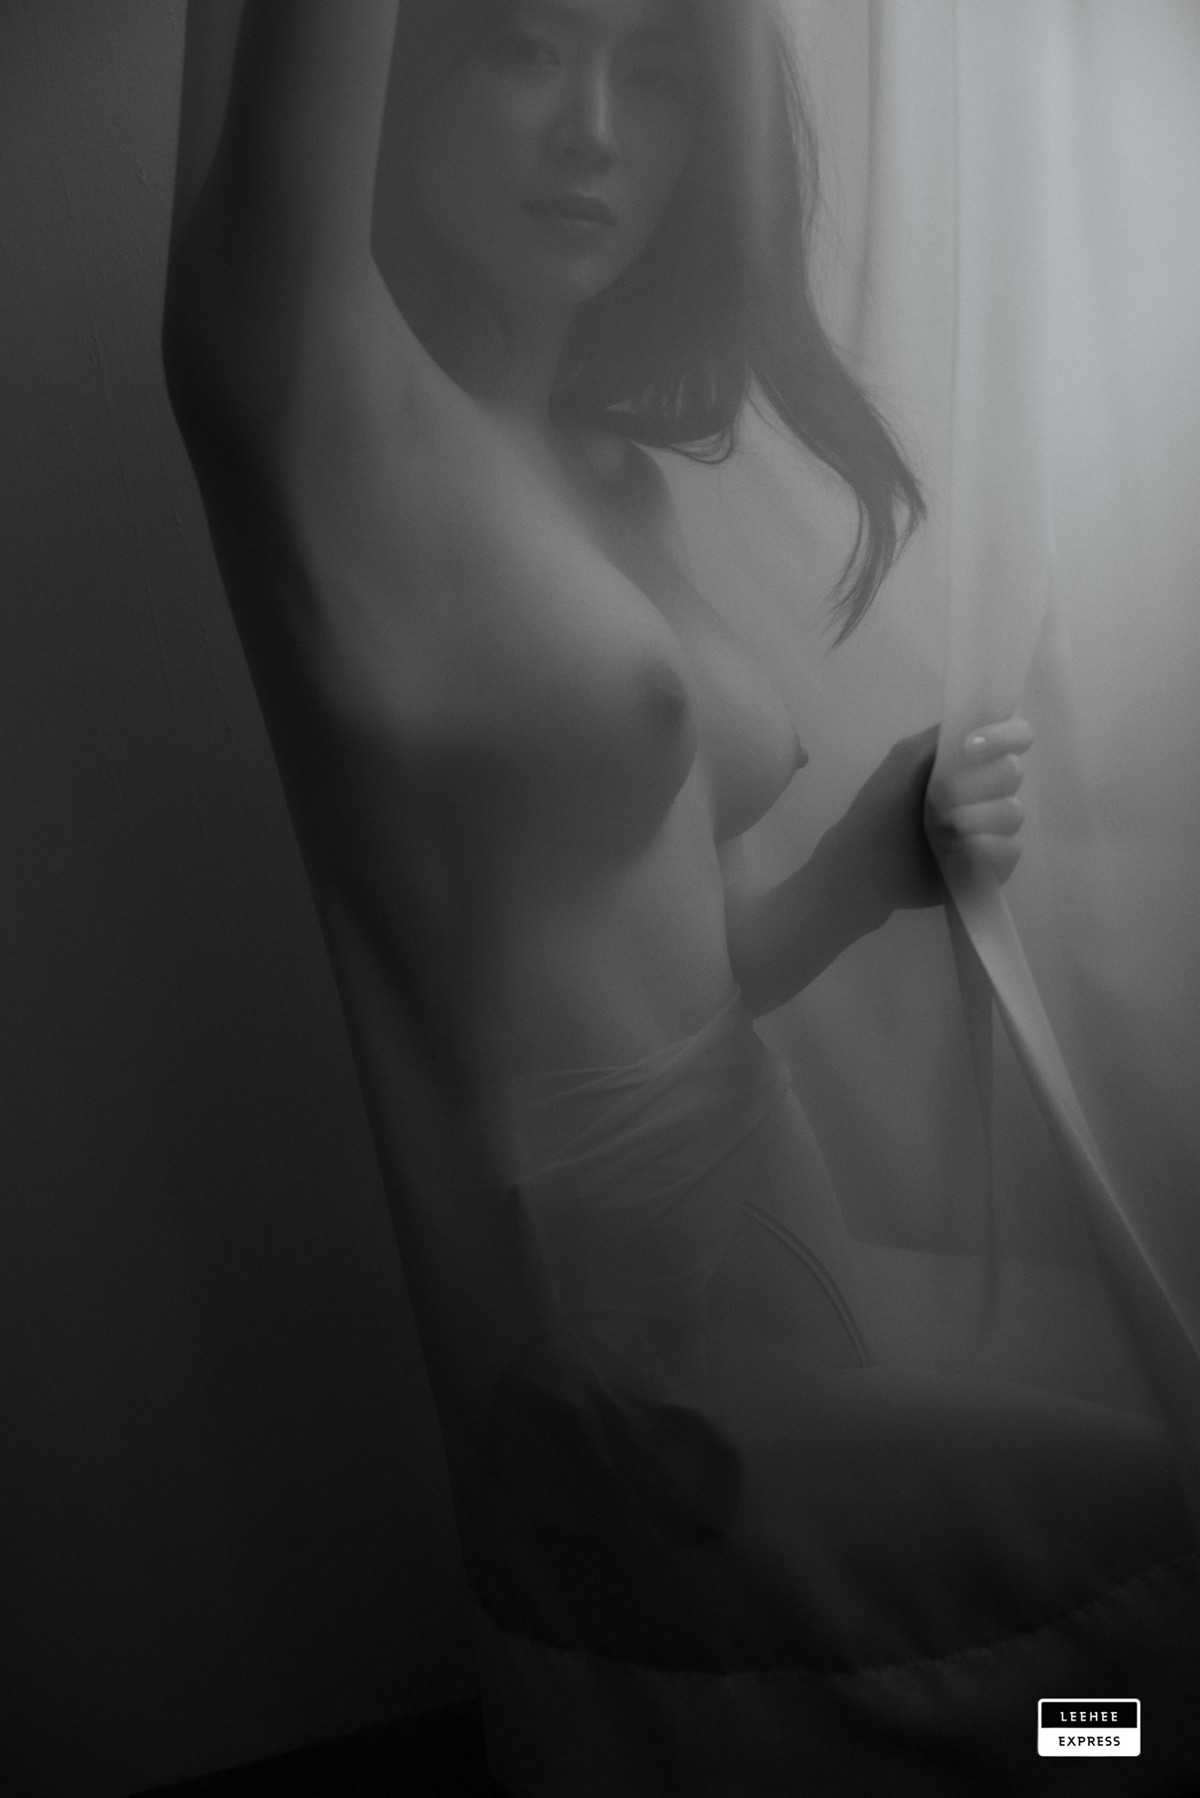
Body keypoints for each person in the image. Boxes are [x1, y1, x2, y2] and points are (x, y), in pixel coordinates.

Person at [164, 4, 1199, 1792]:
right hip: (615, 1347)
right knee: (1133, 1580)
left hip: (764, 1212)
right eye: (526, 48)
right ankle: (1104, 1756)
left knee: (891, 1710)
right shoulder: (322, 407)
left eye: (653, 74)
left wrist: (873, 866)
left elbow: (697, 959)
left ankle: (1089, 1760)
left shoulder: (612, 472)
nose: (595, 128)